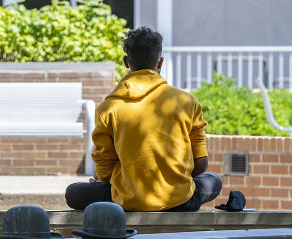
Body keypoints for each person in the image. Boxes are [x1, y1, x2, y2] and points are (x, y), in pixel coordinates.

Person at [65, 26, 221, 212]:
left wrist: (112, 180)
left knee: (73, 193)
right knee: (214, 180)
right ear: (160, 62)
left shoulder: (108, 108)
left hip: (126, 201)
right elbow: (201, 165)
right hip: (180, 200)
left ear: (126, 61)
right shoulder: (187, 101)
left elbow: (104, 172)